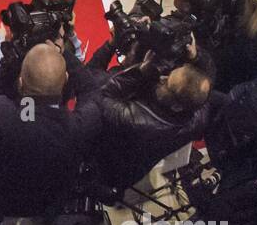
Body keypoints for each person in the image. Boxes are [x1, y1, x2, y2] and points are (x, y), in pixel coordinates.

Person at [0, 42, 102, 217]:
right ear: (66, 79)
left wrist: (13, 61)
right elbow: (92, 92)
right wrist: (65, 52)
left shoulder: (1, 113)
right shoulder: (79, 127)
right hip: (50, 203)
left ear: (20, 82)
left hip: (5, 201)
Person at [87, 50, 216, 199]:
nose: (162, 77)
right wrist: (196, 56)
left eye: (166, 82)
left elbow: (100, 96)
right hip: (136, 167)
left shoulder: (134, 120)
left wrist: (140, 71)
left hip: (107, 166)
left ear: (177, 106)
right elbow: (205, 81)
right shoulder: (199, 116)